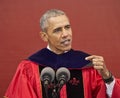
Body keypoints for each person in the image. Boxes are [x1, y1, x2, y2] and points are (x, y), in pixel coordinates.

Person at [4, 9, 120, 98]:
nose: (65, 34)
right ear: (44, 36)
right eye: (57, 30)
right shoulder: (28, 67)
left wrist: (107, 77)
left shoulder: (88, 65)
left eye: (67, 27)